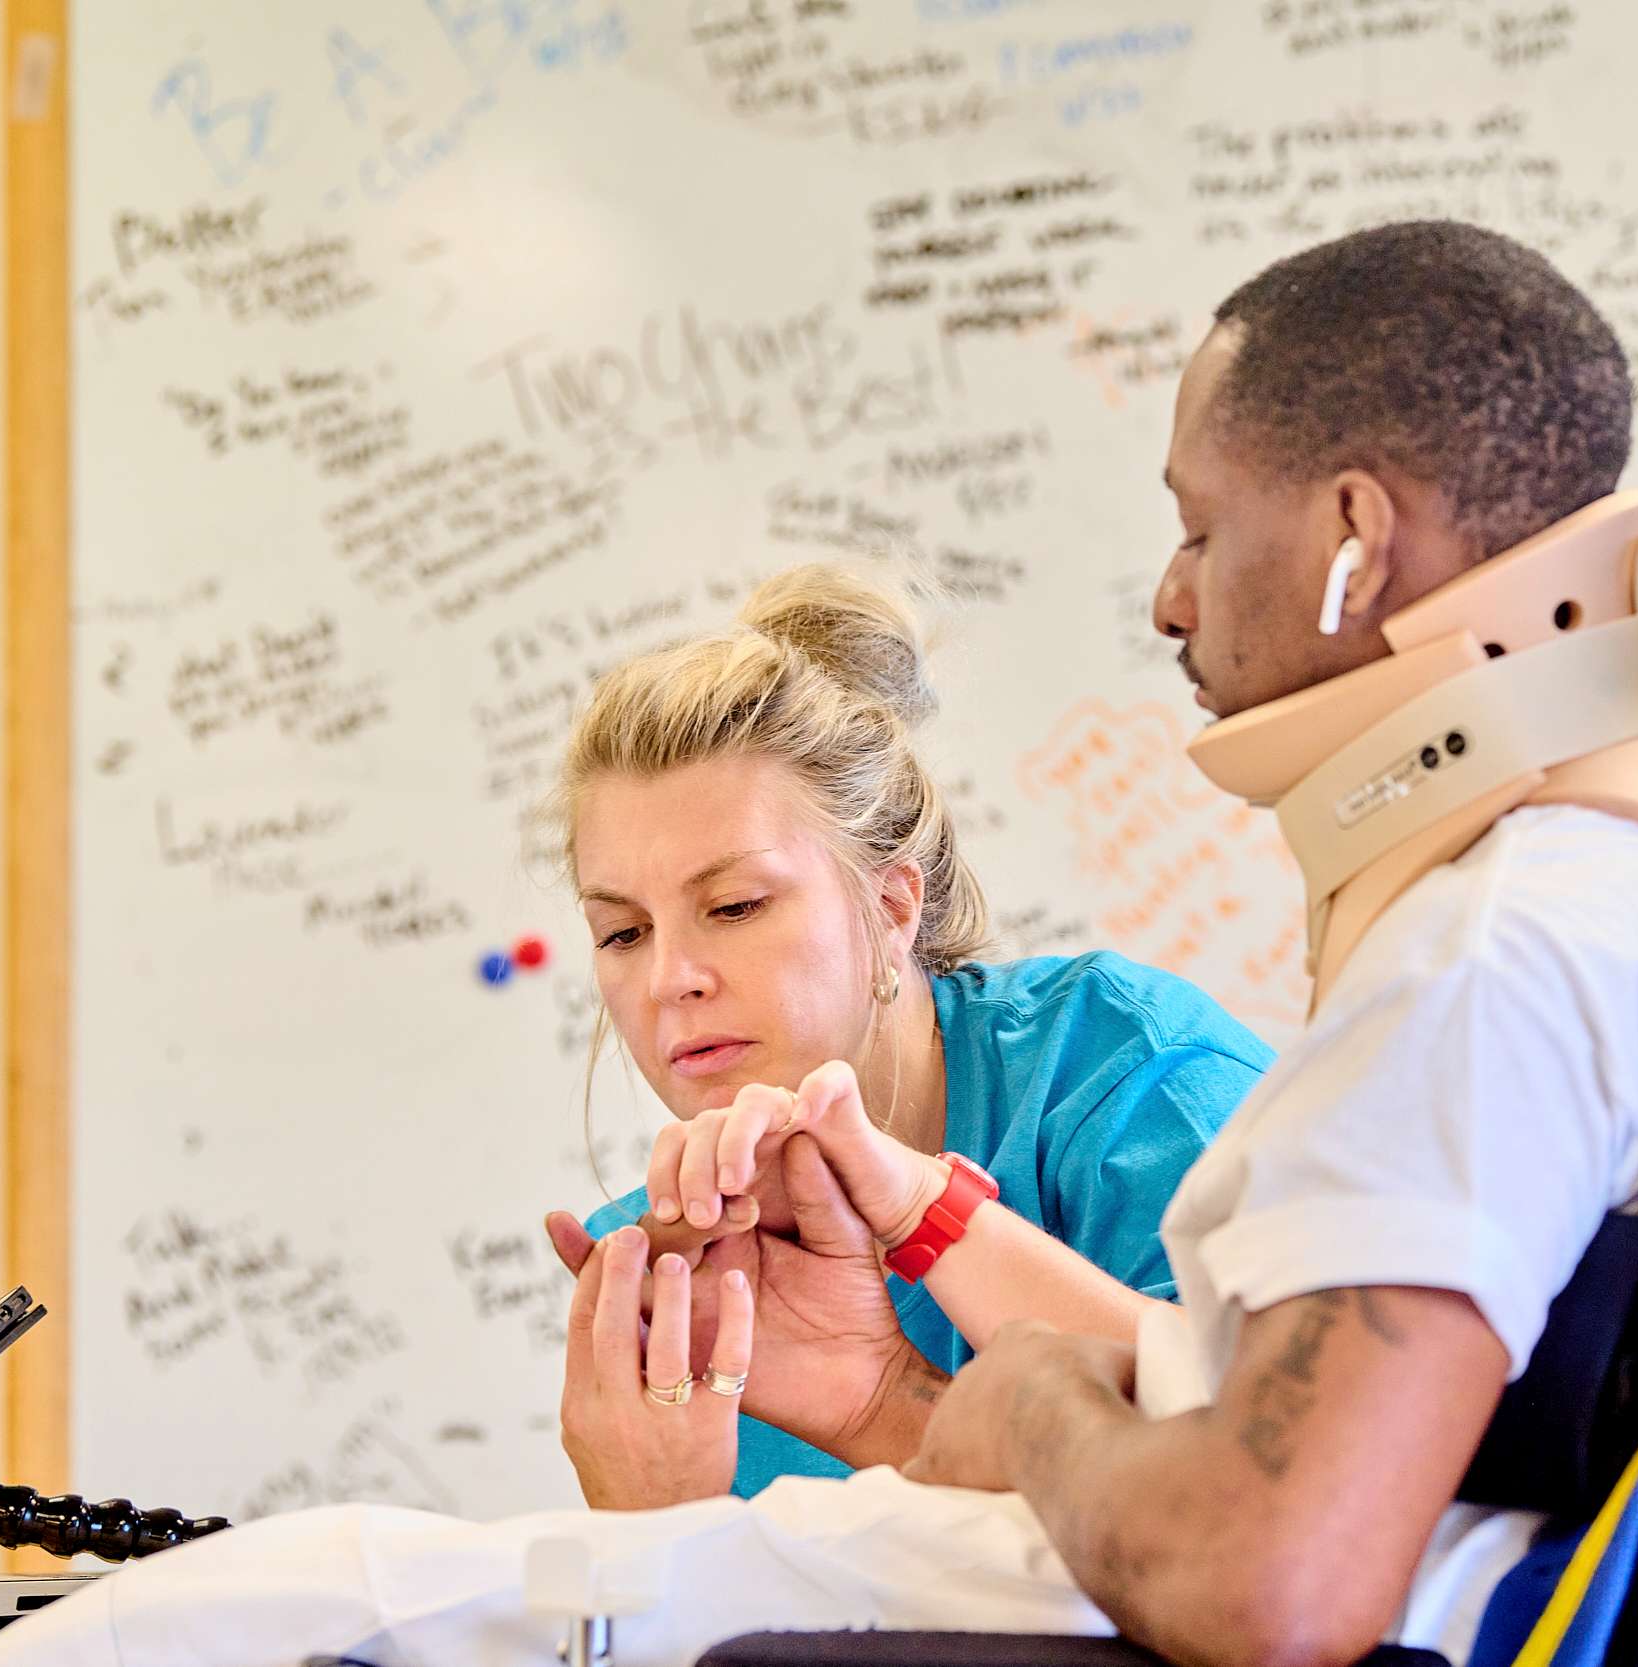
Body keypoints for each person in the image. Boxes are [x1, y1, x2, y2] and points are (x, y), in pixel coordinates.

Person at [0, 220, 1638, 1667]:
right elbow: (1257, 1422)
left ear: (1357, 544)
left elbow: (1262, 1572)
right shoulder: (1598, 900)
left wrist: (1031, 1394)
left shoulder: (1487, 954)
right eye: (617, 926)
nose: (1169, 594)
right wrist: (908, 1384)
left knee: (290, 1607)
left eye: (1204, 526)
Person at [540, 563, 1271, 1505]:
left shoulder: (1128, 1070)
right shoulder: (665, 1284)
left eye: (733, 904)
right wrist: (646, 1525)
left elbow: (1269, 1506)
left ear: (889, 907)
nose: (670, 978)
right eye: (623, 934)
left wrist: (920, 1247)